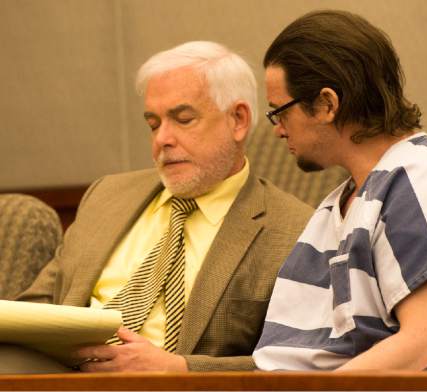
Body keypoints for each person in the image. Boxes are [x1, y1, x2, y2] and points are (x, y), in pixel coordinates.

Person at [13, 41, 313, 373]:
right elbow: (36, 307)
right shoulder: (107, 196)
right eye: (154, 124)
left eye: (183, 119)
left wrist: (180, 369)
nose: (162, 140)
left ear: (238, 120)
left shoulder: (294, 229)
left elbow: (296, 363)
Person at [252, 10, 427, 371]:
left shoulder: (421, 183)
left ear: (326, 104)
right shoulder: (344, 200)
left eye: (280, 112)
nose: (277, 130)